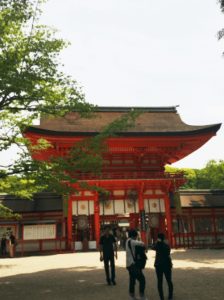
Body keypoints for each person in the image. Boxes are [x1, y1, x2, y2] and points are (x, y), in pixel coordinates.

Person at [126, 229, 148, 300]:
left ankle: (132, 295)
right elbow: (142, 243)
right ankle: (141, 295)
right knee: (142, 279)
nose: (136, 238)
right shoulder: (132, 241)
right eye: (136, 236)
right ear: (133, 236)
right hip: (133, 265)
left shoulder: (127, 241)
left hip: (129, 264)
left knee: (132, 280)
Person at [151, 233, 173, 300]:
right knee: (169, 280)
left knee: (159, 281)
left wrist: (157, 242)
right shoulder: (166, 245)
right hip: (167, 264)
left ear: (158, 238)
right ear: (164, 238)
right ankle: (170, 296)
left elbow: (152, 247)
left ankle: (161, 297)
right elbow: (168, 252)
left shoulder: (157, 245)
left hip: (158, 265)